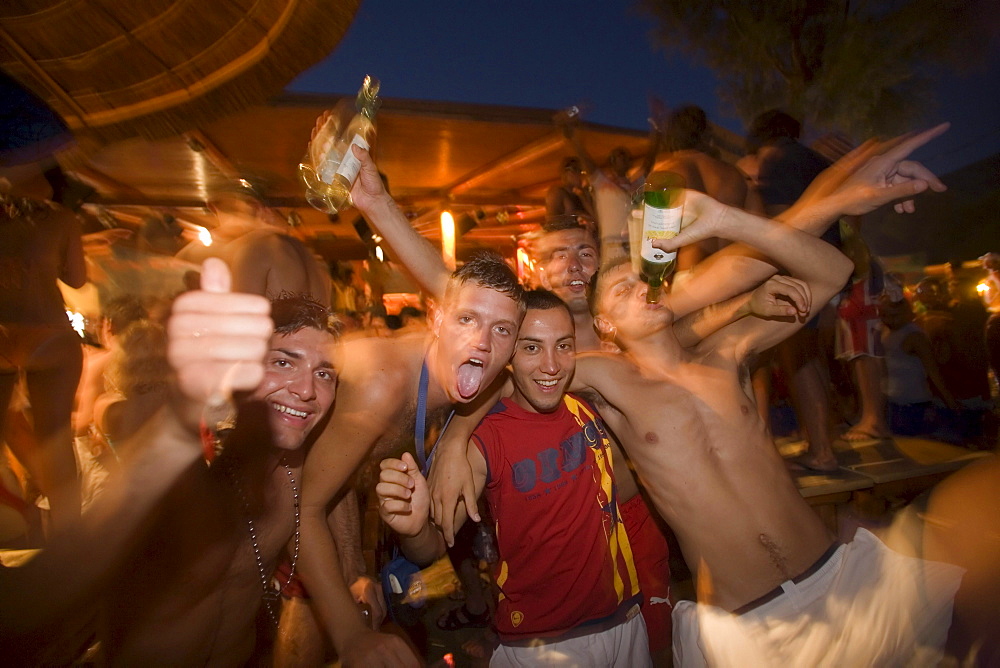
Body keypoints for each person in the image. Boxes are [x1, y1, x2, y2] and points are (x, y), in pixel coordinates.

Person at [431, 125, 964, 664]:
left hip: (841, 582)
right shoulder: (605, 377)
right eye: (621, 289)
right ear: (604, 325)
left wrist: (723, 220)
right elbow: (507, 363)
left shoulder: (727, 354)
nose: (641, 286)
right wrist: (456, 435)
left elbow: (835, 270)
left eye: (644, 278)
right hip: (748, 629)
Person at [297, 143, 527, 668]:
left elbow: (422, 547)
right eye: (467, 321)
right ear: (438, 319)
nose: (483, 344)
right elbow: (304, 504)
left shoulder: (490, 380)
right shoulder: (383, 382)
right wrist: (348, 624)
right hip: (288, 529)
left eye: (501, 331)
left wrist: (457, 441)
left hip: (372, 535)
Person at [378, 289, 652, 667]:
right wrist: (412, 529)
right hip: (539, 645)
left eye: (563, 345)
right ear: (508, 355)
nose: (552, 366)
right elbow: (434, 546)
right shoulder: (485, 441)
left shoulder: (588, 402)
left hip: (624, 620)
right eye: (532, 348)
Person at [0, 186, 86, 533]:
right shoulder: (59, 217)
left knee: (7, 427)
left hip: (4, 330)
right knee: (56, 437)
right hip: (48, 331)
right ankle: (70, 540)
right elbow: (76, 279)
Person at [658, 105, 761, 273]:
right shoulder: (737, 175)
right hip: (734, 276)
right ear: (706, 133)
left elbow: (655, 243)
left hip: (691, 282)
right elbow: (760, 233)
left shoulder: (664, 175)